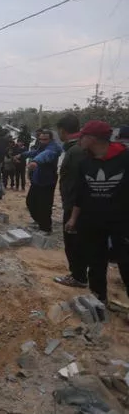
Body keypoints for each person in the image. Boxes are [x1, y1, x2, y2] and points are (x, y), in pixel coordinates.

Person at [65, 120, 129, 304]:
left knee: (125, 263)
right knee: (95, 262)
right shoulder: (85, 162)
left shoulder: (125, 159)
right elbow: (81, 194)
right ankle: (99, 299)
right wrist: (73, 218)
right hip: (91, 221)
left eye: (82, 136)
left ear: (92, 138)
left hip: (121, 223)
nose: (79, 140)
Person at [54, 114, 89, 288]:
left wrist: (73, 211)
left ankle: (78, 276)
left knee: (73, 243)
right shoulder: (77, 148)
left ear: (62, 130)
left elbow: (78, 182)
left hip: (75, 205)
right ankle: (81, 273)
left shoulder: (75, 151)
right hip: (79, 204)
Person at [16, 130, 62, 234]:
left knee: (44, 205)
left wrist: (36, 161)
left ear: (50, 139)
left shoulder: (53, 148)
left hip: (47, 181)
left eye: (45, 139)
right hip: (37, 180)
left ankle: (45, 228)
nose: (42, 141)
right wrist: (22, 155)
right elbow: (35, 152)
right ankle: (38, 221)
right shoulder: (42, 146)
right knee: (30, 202)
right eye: (40, 139)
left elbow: (46, 155)